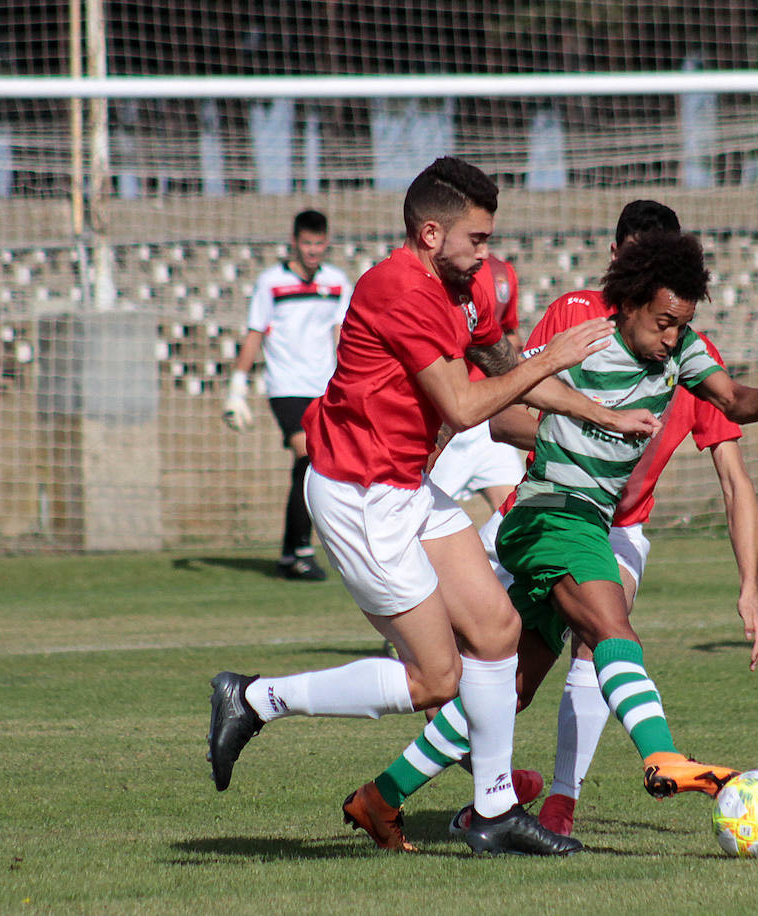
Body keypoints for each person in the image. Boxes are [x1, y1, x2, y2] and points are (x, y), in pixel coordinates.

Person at [205, 156, 660, 858]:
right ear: (428, 233)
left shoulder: (462, 287)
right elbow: (466, 404)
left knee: (499, 628)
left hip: (409, 486)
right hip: (360, 496)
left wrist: (597, 410)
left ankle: (493, 810)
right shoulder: (399, 290)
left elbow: (504, 365)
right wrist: (555, 358)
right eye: (476, 239)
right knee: (436, 679)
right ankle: (256, 699)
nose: (486, 253)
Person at [338, 228, 758, 851]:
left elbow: (734, 399)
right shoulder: (584, 339)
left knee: (505, 693)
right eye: (663, 321)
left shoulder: (683, 351)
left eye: (682, 323)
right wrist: (440, 443)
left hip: (584, 522)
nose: (671, 335)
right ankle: (661, 754)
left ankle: (380, 797)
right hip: (549, 512)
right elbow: (498, 388)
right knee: (612, 630)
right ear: (632, 301)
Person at [486, 200, 758, 837]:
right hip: (546, 505)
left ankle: (560, 801)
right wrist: (589, 422)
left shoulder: (688, 350)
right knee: (475, 680)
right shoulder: (576, 319)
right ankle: (497, 781)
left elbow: (735, 478)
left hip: (615, 527)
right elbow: (504, 414)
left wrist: (750, 588)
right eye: (629, 259)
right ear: (618, 262)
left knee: (602, 632)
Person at [222, 209, 350, 581]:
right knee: (309, 456)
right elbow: (254, 334)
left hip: (324, 388)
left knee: (315, 465)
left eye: (319, 244)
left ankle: (288, 553)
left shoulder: (337, 282)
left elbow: (342, 336)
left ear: (327, 243)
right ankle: (302, 551)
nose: (313, 251)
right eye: (306, 243)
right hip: (286, 388)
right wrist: (236, 389)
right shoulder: (270, 282)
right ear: (294, 242)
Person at [427, 255, 528, 515]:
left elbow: (509, 331)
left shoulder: (502, 272)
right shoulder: (433, 278)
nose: (480, 250)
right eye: (475, 239)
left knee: (515, 515)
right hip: (448, 419)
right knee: (420, 518)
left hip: (487, 420)